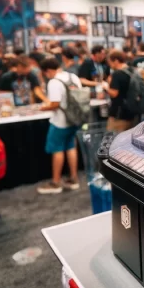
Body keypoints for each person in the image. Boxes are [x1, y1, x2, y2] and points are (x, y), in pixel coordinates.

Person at [37, 57, 83, 195]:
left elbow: (55, 104)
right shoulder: (72, 76)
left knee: (57, 149)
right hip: (75, 119)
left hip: (60, 122)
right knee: (70, 147)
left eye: (45, 73)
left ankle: (55, 182)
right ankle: (74, 179)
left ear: (49, 70)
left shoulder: (54, 82)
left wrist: (42, 108)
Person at [105, 50, 137, 131]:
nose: (110, 65)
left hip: (119, 114)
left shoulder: (117, 74)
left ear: (116, 61)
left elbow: (114, 93)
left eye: (110, 62)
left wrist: (105, 87)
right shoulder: (132, 70)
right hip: (132, 112)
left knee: (112, 140)